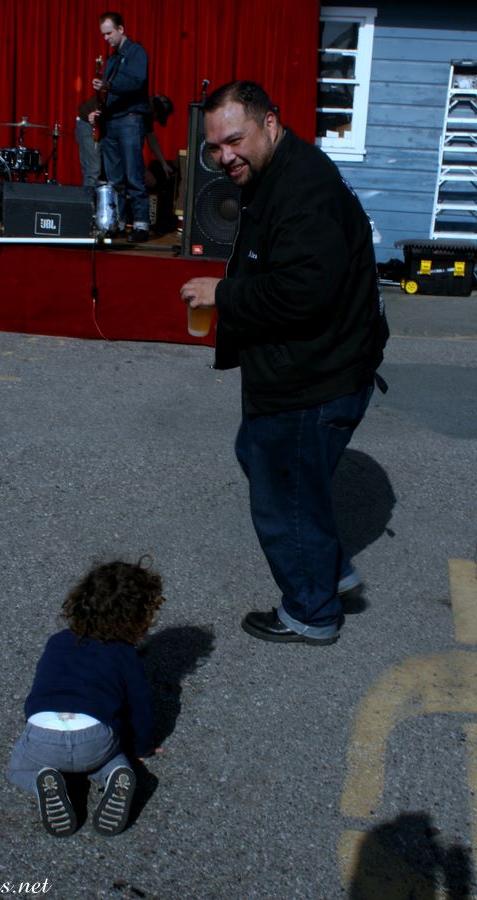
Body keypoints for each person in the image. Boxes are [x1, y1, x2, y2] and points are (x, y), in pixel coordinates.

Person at [180, 81, 388, 647]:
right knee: (262, 457)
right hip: (313, 365)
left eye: (234, 140)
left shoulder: (304, 190)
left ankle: (311, 611)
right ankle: (328, 569)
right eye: (215, 147)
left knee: (283, 495)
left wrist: (223, 294)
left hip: (314, 377)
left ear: (270, 122)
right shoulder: (277, 171)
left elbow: (303, 294)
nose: (224, 156)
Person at [7, 559, 164, 837]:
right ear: (139, 618)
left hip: (44, 733)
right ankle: (115, 774)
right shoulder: (125, 654)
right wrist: (142, 747)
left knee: (16, 769)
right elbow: (139, 709)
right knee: (110, 755)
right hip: (94, 737)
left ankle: (46, 784)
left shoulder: (56, 641)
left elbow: (41, 685)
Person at [93, 11, 150, 242]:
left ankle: (141, 224)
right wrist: (99, 109)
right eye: (103, 34)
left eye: (109, 33)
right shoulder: (112, 59)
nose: (106, 38)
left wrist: (108, 85)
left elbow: (136, 81)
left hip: (129, 119)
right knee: (114, 179)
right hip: (111, 121)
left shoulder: (136, 52)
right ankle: (116, 221)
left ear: (121, 29)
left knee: (133, 175)